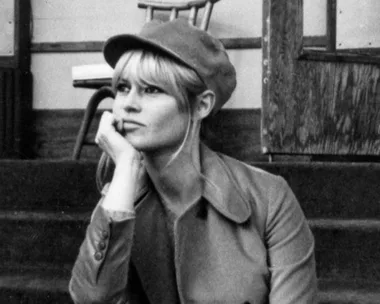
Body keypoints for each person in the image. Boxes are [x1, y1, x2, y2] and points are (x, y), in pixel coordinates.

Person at [69, 19, 317, 304]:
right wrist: (125, 168)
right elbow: (91, 299)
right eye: (124, 88)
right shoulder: (119, 199)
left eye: (151, 90)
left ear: (201, 106)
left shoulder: (270, 198)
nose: (127, 104)